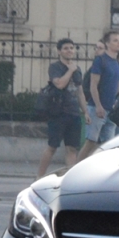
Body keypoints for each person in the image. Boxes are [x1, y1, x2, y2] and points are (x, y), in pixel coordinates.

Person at [37, 38, 89, 178]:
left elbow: (79, 91)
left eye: (71, 48)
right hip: (58, 113)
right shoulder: (55, 67)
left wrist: (85, 111)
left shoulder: (77, 69)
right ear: (59, 51)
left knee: (72, 148)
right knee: (52, 147)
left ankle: (69, 178)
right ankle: (39, 177)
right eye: (66, 48)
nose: (69, 51)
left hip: (74, 113)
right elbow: (59, 84)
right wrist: (70, 70)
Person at [80, 31, 119, 159]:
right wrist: (98, 105)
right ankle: (74, 168)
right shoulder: (100, 61)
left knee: (107, 144)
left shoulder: (117, 63)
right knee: (91, 141)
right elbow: (93, 85)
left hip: (111, 110)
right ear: (107, 44)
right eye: (115, 40)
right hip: (97, 108)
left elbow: (118, 86)